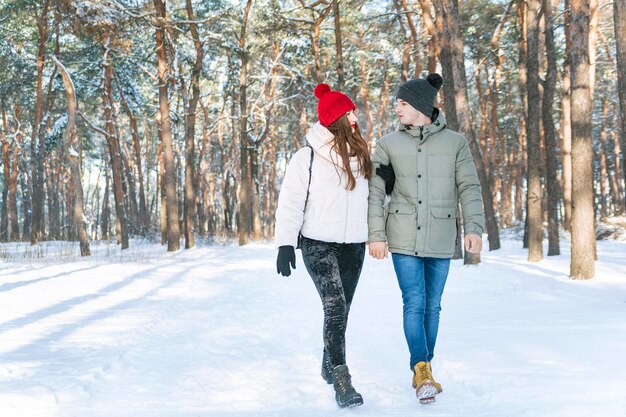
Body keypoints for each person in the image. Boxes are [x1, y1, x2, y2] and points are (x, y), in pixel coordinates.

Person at [368, 73, 485, 404]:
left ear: (420, 105)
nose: (396, 109)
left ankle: (425, 369)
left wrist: (474, 227)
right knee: (414, 301)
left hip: (441, 234)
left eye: (402, 103)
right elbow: (376, 192)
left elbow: (469, 187)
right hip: (402, 235)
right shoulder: (388, 144)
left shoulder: (456, 143)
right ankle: (421, 368)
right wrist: (376, 235)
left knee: (433, 306)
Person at [274, 83, 371, 408]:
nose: (356, 115)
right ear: (340, 117)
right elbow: (290, 201)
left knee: (342, 311)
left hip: (354, 246)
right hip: (317, 243)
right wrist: (286, 243)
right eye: (351, 111)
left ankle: (329, 364)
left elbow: (373, 200)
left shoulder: (362, 154)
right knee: (334, 306)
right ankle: (342, 382)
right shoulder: (307, 157)